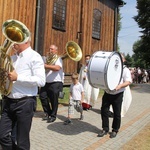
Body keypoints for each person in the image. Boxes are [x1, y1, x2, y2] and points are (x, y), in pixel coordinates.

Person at [0, 36, 46, 150]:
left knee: (22, 141)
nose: (13, 42)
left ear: (26, 41)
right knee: (2, 136)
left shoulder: (35, 57)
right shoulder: (12, 58)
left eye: (16, 40)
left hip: (25, 102)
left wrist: (18, 77)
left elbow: (41, 81)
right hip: (9, 100)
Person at [97, 53, 132, 138]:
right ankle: (105, 129)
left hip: (118, 94)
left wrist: (119, 86)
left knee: (117, 113)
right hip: (107, 93)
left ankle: (115, 130)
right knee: (104, 111)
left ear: (124, 60)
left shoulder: (125, 69)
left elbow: (128, 81)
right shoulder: (110, 67)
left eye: (121, 58)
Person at [39, 44, 64, 123]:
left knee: (53, 100)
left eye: (52, 49)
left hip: (55, 82)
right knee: (42, 97)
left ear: (56, 51)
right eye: (49, 49)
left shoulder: (58, 58)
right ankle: (48, 113)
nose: (50, 50)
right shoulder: (47, 59)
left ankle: (53, 116)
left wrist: (46, 66)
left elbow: (57, 68)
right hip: (46, 82)